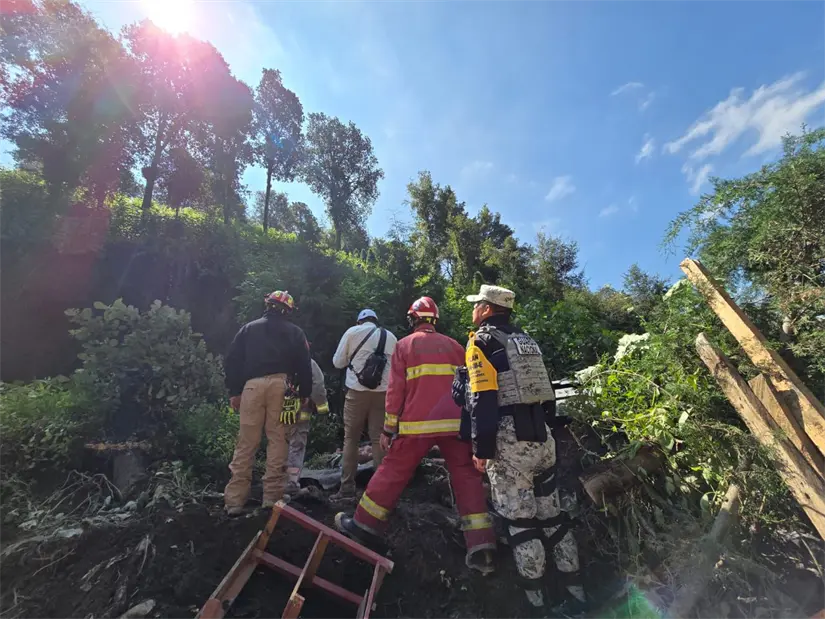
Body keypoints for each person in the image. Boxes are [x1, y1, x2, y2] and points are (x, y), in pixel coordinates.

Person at [334, 297, 497, 574]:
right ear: (435, 320)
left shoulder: (405, 345)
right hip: (456, 425)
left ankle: (364, 524)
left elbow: (396, 390)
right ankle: (482, 545)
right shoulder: (457, 346)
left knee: (392, 471)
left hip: (416, 426)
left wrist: (388, 429)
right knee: (467, 477)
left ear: (413, 320)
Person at [456, 284, 584, 614]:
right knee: (553, 518)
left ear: (486, 309)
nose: (474, 309)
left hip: (508, 442)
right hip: (543, 437)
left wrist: (481, 449)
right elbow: (548, 395)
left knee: (521, 524)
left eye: (477, 305)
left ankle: (538, 604)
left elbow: (483, 399)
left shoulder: (480, 342)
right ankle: (577, 594)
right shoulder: (528, 341)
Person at [223, 290, 312, 516]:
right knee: (279, 440)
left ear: (268, 305)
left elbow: (231, 360)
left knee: (246, 443)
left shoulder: (248, 329)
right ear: (288, 311)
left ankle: (234, 501)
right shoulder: (296, 332)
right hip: (283, 389)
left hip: (251, 387)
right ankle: (271, 498)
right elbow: (304, 365)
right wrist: (304, 394)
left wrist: (235, 392)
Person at [331, 309, 398, 502]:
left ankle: (347, 489)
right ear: (376, 321)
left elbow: (338, 362)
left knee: (351, 439)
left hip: (356, 392)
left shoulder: (353, 332)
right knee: (379, 439)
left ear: (359, 321)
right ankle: (380, 492)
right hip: (383, 394)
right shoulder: (391, 337)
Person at [282, 344, 329, 499]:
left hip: (279, 412)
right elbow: (318, 386)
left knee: (278, 443)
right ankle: (291, 484)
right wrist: (321, 410)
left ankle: (275, 482)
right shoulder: (309, 364)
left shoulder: (278, 361)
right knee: (297, 445)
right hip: (300, 412)